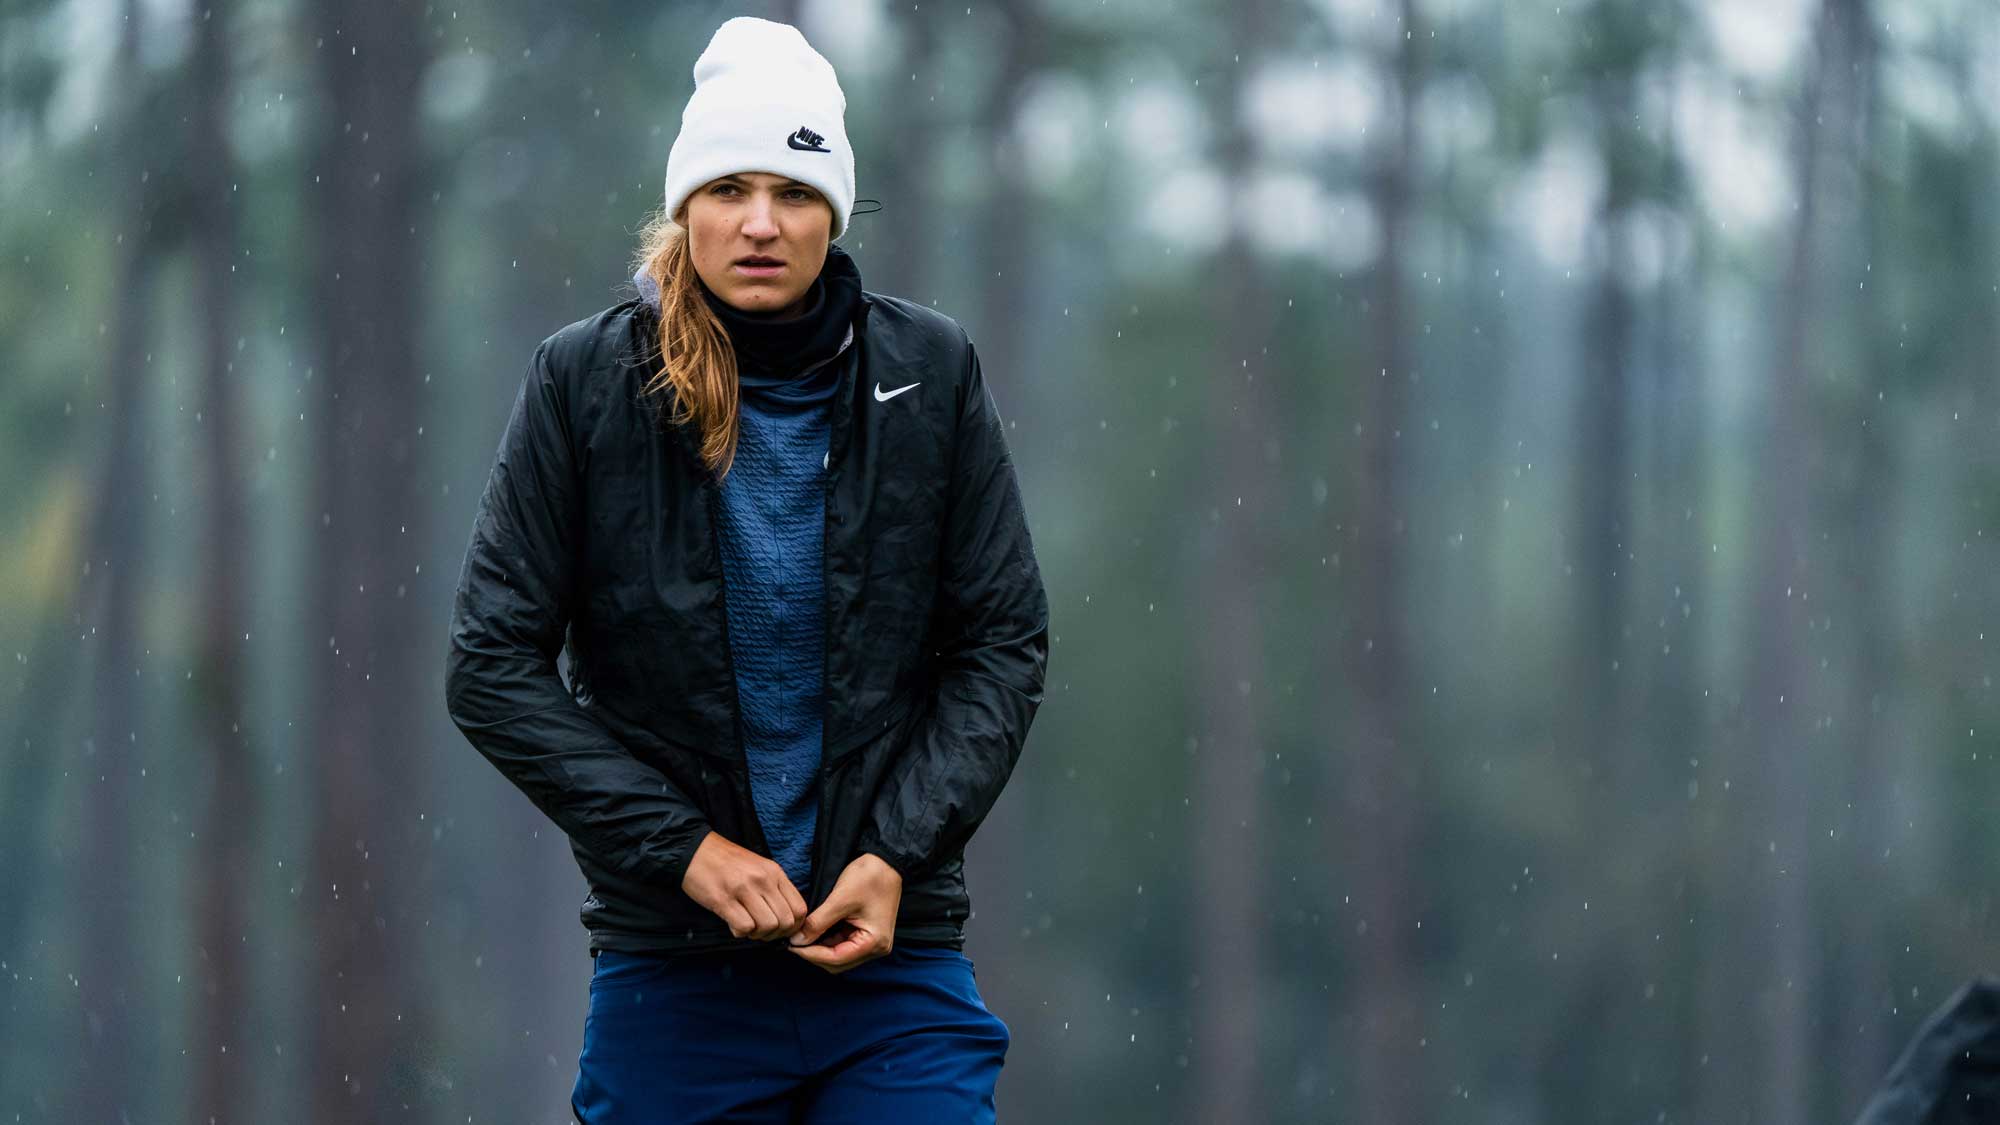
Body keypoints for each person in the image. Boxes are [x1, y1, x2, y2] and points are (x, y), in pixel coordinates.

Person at [442, 15, 1050, 1124]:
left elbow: (1000, 644)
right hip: (674, 978)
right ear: (687, 207)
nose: (762, 222)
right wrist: (688, 852)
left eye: (796, 192)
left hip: (893, 966)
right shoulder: (583, 384)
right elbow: (490, 667)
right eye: (730, 188)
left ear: (835, 213)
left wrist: (893, 854)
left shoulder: (932, 371)